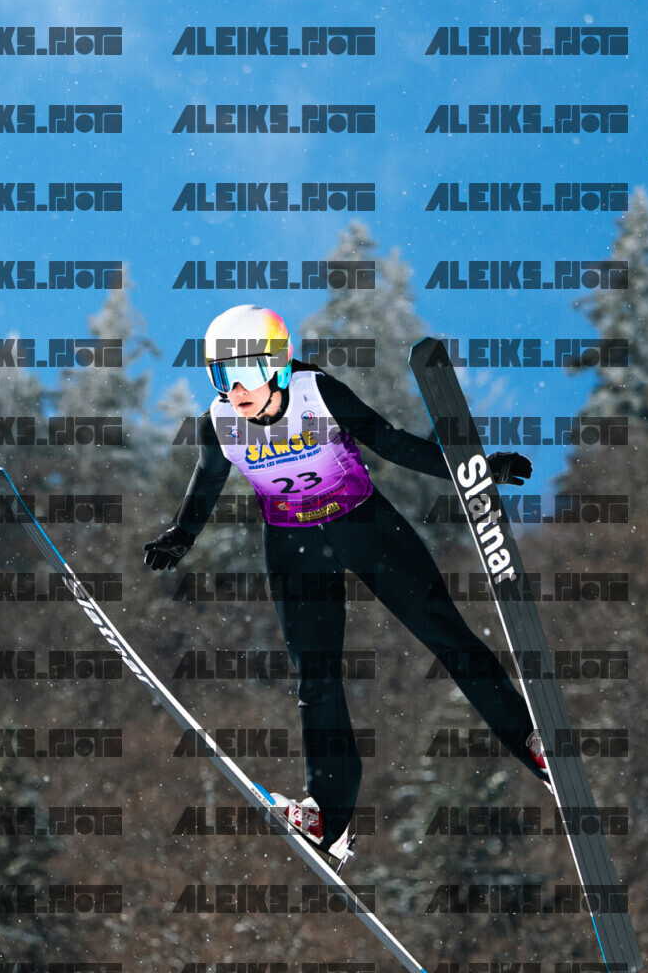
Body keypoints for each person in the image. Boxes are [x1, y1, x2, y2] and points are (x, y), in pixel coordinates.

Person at [144, 304, 549, 863]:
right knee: (316, 679)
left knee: (445, 635)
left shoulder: (316, 392)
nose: (234, 389)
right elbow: (207, 480)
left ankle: (532, 743)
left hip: (365, 527)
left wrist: (476, 468)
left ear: (278, 365)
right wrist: (182, 535)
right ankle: (329, 817)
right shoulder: (219, 423)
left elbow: (394, 443)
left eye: (245, 372)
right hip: (295, 549)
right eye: (221, 375)